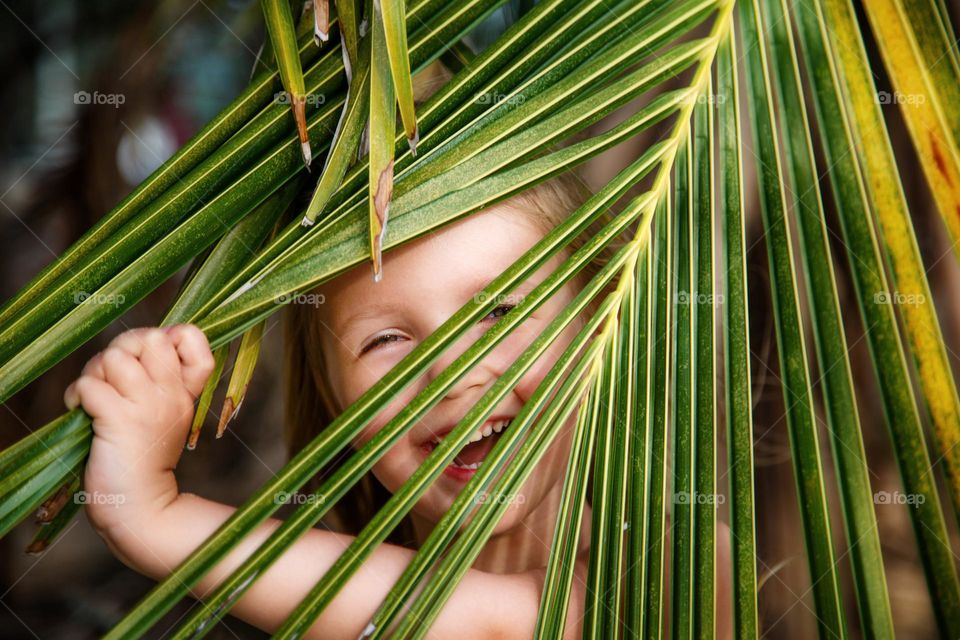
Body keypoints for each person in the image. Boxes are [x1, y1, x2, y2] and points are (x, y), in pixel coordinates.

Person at [64, 170, 732, 638]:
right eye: (386, 338)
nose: (449, 372)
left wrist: (155, 515)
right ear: (334, 400)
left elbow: (501, 626)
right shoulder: (323, 594)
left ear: (597, 320)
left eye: (500, 312)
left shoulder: (686, 564)